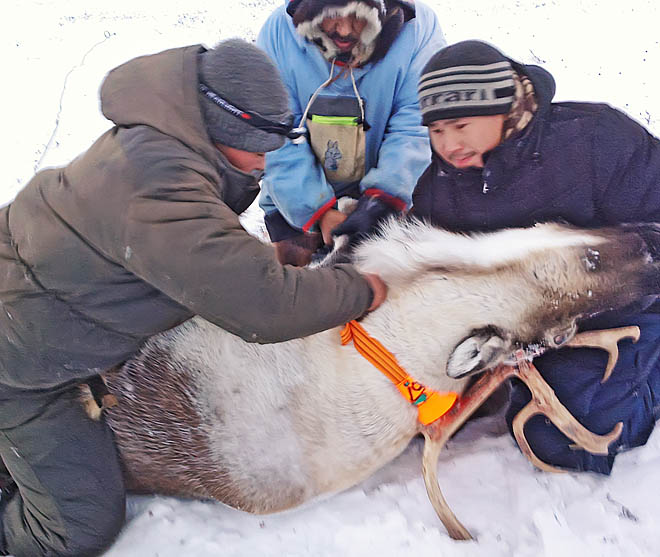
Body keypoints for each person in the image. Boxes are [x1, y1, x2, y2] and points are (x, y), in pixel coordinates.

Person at [0, 38, 388, 557]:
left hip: (25, 313)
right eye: (260, 144)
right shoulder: (161, 182)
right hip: (21, 368)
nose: (265, 162)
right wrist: (360, 289)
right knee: (77, 525)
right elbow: (266, 309)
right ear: (227, 127)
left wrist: (267, 260)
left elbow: (170, 258)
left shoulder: (156, 148)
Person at [412, 39, 660, 474]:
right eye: (436, 131)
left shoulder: (595, 140)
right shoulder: (441, 188)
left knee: (569, 439)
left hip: (629, 301)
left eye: (460, 125)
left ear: (502, 107)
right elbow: (419, 251)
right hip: (524, 326)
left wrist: (588, 277)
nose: (449, 145)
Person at [257, 0, 446, 265]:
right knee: (296, 290)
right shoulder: (279, 32)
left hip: (387, 201)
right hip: (294, 201)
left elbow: (415, 123)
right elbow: (276, 130)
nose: (344, 31)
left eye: (359, 17)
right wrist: (318, 210)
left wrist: (382, 202)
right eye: (331, 17)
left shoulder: (418, 29)